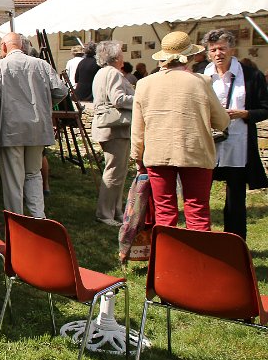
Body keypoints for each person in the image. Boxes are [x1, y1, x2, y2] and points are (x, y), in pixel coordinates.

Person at [130, 31, 229, 231]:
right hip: (195, 152)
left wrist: (137, 157)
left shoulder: (144, 84)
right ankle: (196, 261)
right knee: (197, 211)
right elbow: (222, 121)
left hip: (158, 152)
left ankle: (164, 261)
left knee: (164, 212)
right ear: (191, 57)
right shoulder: (201, 81)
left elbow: (138, 127)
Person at [0, 32, 68, 218]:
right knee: (33, 174)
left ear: (3, 47)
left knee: (13, 180)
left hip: (10, 129)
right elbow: (61, 90)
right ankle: (38, 218)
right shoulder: (41, 64)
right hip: (36, 129)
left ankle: (17, 223)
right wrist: (45, 106)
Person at [202, 28, 268, 238]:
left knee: (235, 197)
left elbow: (266, 108)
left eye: (222, 48)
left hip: (238, 145)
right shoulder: (202, 75)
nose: (217, 53)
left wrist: (244, 113)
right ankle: (201, 237)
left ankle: (235, 241)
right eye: (213, 50)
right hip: (209, 143)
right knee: (200, 194)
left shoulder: (250, 75)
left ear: (231, 49)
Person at [90, 41, 135, 227]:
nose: (124, 56)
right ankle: (105, 213)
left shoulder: (102, 72)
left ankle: (116, 210)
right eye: (122, 53)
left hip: (109, 127)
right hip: (115, 129)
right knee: (114, 172)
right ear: (116, 57)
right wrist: (140, 97)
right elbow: (118, 99)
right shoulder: (114, 73)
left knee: (118, 172)